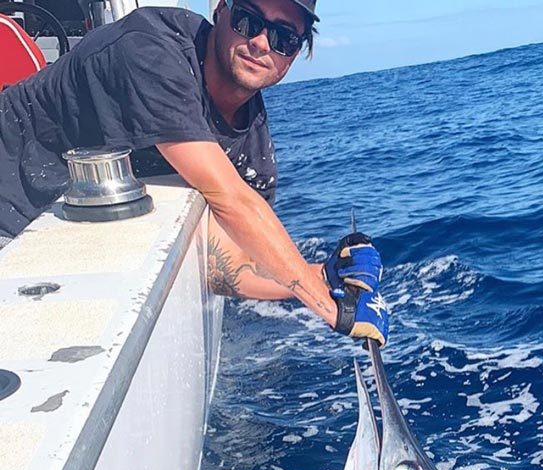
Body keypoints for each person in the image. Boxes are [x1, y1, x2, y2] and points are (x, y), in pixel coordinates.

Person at [0, 0, 388, 345]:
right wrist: (331, 310)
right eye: (248, 20)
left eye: (284, 37)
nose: (261, 44)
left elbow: (219, 263)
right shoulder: (151, 48)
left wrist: (322, 275)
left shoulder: (252, 148)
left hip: (52, 233)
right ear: (219, 11)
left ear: (296, 54)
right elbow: (228, 197)